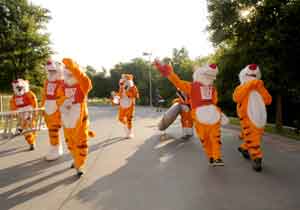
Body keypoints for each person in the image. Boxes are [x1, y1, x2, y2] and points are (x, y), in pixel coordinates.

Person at [154, 60, 226, 166]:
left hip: (209, 115)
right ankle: (212, 157)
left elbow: (214, 101)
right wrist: (169, 73)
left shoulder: (209, 88)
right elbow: (178, 82)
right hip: (204, 115)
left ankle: (216, 157)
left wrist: (218, 113)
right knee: (207, 138)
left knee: (213, 137)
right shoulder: (193, 87)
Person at [59, 58, 95, 177]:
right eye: (67, 72)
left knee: (81, 143)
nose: (68, 76)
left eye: (72, 73)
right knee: (71, 143)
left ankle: (79, 165)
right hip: (67, 119)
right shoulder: (62, 85)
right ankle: (75, 160)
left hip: (80, 119)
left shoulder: (82, 85)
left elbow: (86, 81)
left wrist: (74, 68)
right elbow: (58, 99)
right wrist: (64, 102)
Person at [233, 64, 272, 172]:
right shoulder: (241, 87)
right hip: (247, 117)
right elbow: (236, 97)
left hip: (260, 117)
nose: (252, 78)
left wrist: (260, 87)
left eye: (254, 77)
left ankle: (245, 148)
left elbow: (268, 100)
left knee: (255, 136)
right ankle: (257, 158)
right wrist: (249, 85)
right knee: (253, 137)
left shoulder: (259, 87)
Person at [42, 59, 64, 161]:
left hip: (58, 107)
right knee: (51, 129)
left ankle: (58, 148)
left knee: (57, 129)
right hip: (48, 107)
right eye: (50, 71)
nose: (51, 73)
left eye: (53, 71)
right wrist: (42, 107)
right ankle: (54, 147)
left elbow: (63, 96)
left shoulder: (62, 82)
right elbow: (44, 95)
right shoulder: (47, 82)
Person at [10, 79, 38, 150]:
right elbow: (12, 104)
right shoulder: (14, 96)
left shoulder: (29, 94)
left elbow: (34, 101)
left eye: (20, 88)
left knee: (31, 128)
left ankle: (32, 140)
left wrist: (35, 111)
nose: (19, 90)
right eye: (17, 88)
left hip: (29, 112)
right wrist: (14, 111)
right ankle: (31, 142)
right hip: (21, 114)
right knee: (26, 129)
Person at [112, 74, 139, 139]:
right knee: (120, 118)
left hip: (130, 105)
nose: (123, 81)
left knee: (129, 119)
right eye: (122, 79)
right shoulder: (121, 88)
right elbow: (119, 95)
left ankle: (130, 132)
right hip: (122, 105)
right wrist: (115, 98)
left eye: (125, 79)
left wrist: (127, 91)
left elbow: (136, 95)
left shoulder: (132, 87)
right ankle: (126, 126)